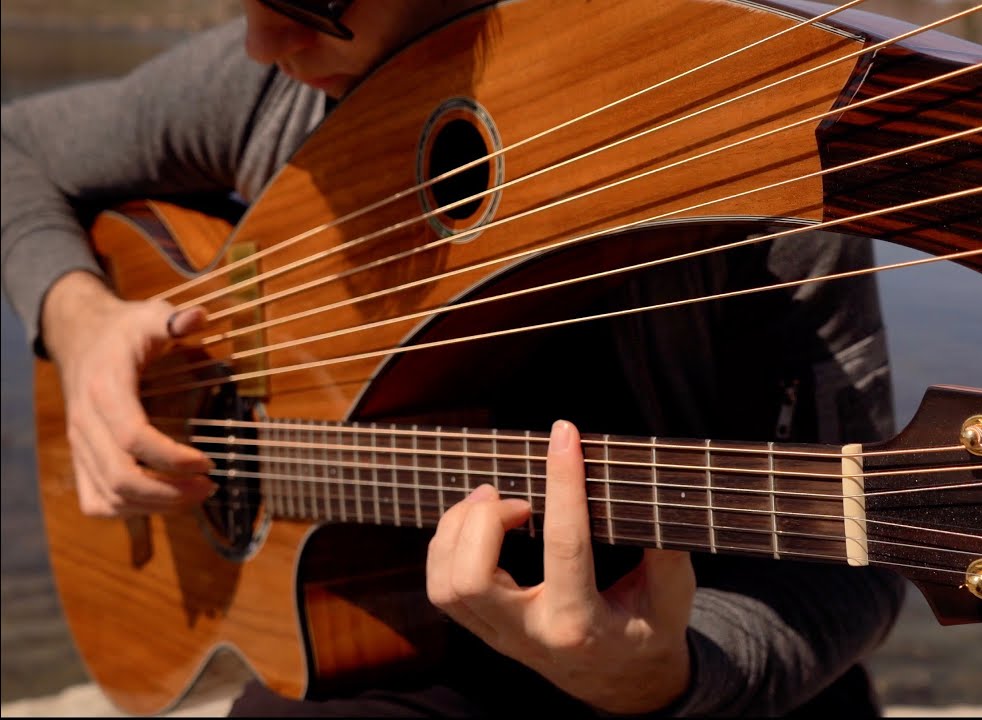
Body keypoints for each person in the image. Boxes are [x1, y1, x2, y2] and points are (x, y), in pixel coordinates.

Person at [2, 1, 906, 716]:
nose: (260, 42)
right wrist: (76, 319)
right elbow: (15, 148)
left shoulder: (748, 130)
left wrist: (660, 678)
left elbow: (855, 563)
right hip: (394, 648)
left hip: (691, 661)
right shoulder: (273, 95)